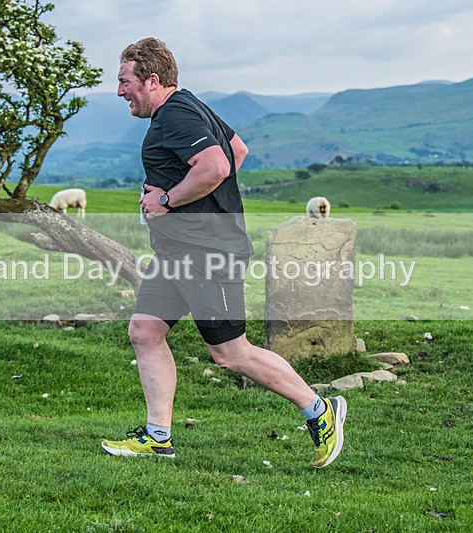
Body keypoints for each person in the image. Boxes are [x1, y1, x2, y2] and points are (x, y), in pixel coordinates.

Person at [101, 37, 346, 468]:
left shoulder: (175, 114)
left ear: (152, 80)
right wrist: (192, 199)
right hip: (178, 252)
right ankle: (158, 436)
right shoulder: (188, 104)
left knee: (230, 354)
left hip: (207, 253)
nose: (120, 91)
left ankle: (319, 411)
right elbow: (237, 151)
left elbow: (215, 166)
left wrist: (169, 201)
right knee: (144, 330)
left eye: (125, 82)